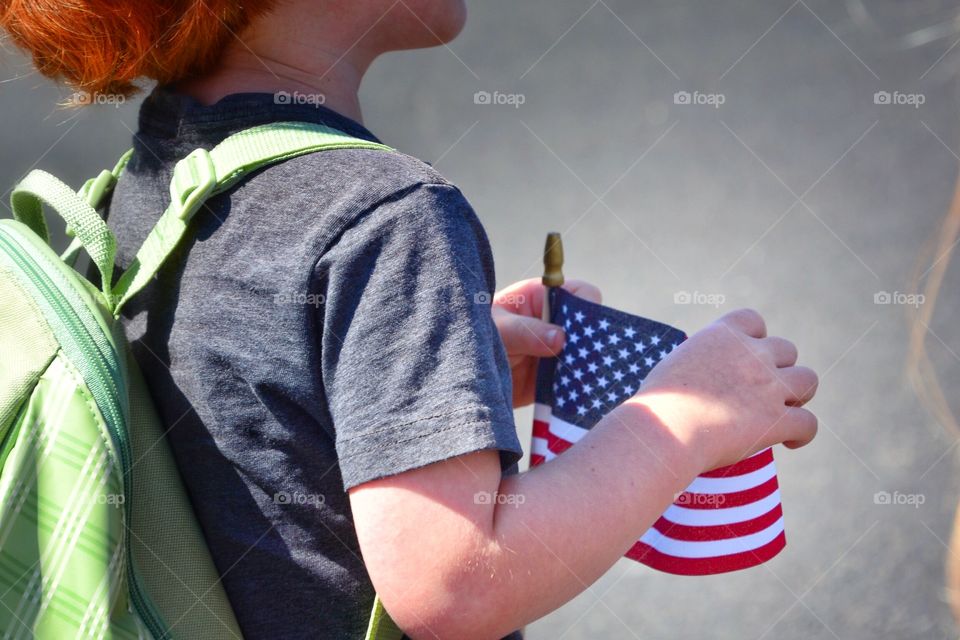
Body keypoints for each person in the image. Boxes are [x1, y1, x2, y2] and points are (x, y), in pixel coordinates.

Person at [0, 1, 819, 638]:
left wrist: (428, 379)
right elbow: (459, 583)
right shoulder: (388, 215)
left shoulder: (155, 174)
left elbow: (242, 407)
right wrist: (682, 419)